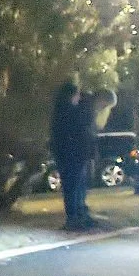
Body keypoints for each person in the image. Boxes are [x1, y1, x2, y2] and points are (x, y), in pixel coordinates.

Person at [49, 81, 87, 229]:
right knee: (74, 186)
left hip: (64, 155)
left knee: (70, 187)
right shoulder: (72, 112)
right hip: (73, 154)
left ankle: (74, 217)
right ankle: (74, 217)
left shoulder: (59, 112)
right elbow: (78, 132)